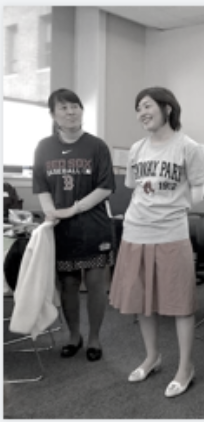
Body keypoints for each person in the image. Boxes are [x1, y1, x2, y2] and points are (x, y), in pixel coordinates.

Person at [109, 87, 204, 398]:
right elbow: (134, 188)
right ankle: (152, 357)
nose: (142, 112)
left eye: (147, 105)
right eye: (138, 107)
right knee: (143, 302)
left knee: (180, 304)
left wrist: (179, 208)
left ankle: (185, 367)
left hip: (171, 234)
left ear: (167, 108)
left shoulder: (188, 147)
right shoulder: (138, 149)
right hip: (135, 232)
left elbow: (199, 189)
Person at [33, 88, 116, 361]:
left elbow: (105, 187)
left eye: (75, 106)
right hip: (62, 230)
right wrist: (50, 211)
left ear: (81, 110)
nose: (70, 112)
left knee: (94, 284)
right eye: (63, 108)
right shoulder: (44, 147)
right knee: (68, 285)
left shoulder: (97, 146)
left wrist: (73, 208)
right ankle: (74, 336)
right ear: (53, 115)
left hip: (94, 227)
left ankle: (94, 338)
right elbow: (42, 186)